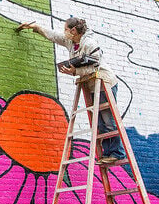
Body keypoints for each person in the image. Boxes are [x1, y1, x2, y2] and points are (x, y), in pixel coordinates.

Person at [17, 17, 125, 164]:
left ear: (73, 30)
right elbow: (53, 35)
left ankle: (117, 153)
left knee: (108, 120)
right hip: (93, 85)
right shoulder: (71, 41)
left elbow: (95, 65)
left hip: (104, 82)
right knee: (99, 122)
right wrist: (35, 27)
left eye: (66, 29)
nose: (64, 32)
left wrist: (75, 71)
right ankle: (108, 153)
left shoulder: (89, 43)